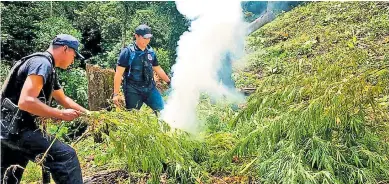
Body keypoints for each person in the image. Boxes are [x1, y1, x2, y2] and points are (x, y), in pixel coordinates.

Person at [0, 34, 88, 184]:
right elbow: (26, 101)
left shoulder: (47, 66)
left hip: (7, 130)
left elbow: (63, 99)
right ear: (65, 49)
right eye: (74, 54)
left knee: (9, 176)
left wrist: (89, 114)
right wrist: (60, 114)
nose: (73, 60)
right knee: (66, 157)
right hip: (20, 130)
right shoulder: (42, 64)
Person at [113, 24, 170, 113]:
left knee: (164, 111)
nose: (147, 40)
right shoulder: (127, 52)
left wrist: (169, 82)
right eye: (144, 38)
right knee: (132, 116)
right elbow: (118, 73)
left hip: (150, 88)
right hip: (133, 90)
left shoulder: (151, 52)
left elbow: (158, 69)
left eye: (149, 38)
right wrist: (116, 94)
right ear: (136, 36)